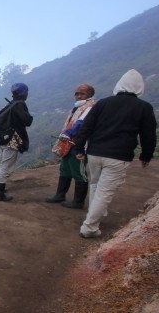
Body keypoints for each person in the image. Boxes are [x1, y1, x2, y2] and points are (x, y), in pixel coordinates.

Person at [73, 69, 156, 238]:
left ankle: (94, 216)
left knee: (95, 184)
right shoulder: (144, 107)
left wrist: (79, 148)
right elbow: (148, 135)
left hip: (95, 152)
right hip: (118, 155)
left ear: (119, 85)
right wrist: (146, 156)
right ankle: (89, 227)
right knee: (105, 191)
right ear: (140, 87)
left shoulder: (103, 103)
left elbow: (86, 127)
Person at [45, 83, 96, 208]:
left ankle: (78, 201)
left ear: (89, 95)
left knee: (79, 171)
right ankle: (60, 195)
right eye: (76, 93)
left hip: (79, 144)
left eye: (82, 93)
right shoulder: (77, 108)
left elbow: (81, 123)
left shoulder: (90, 107)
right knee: (65, 169)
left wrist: (68, 133)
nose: (78, 96)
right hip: (68, 144)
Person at [0, 83, 33, 202]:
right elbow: (27, 121)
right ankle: (0, 194)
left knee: (1, 163)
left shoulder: (10, 104)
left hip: (3, 138)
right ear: (24, 93)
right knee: (6, 165)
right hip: (12, 140)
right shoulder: (20, 105)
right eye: (26, 92)